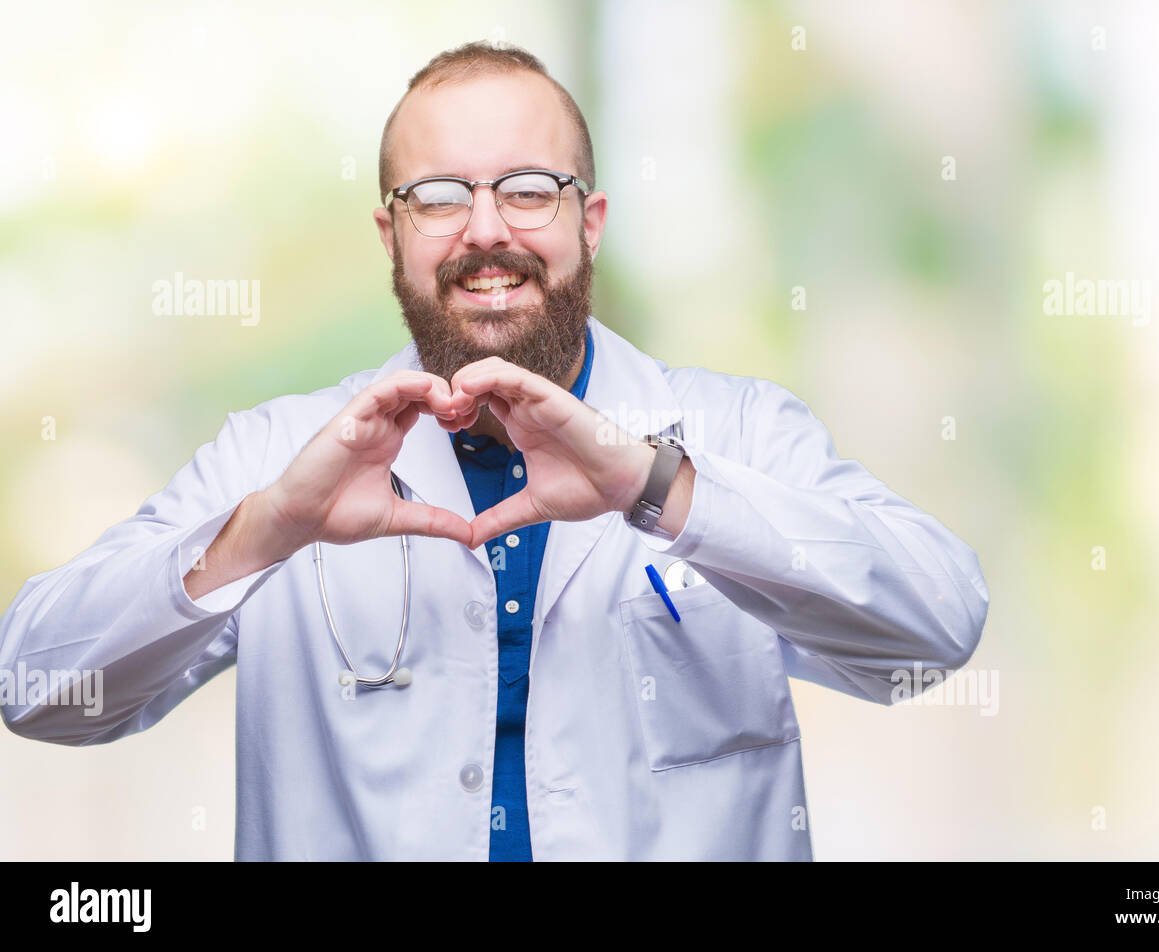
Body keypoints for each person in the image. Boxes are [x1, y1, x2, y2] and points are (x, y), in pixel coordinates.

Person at [0, 41, 989, 861]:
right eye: (437, 197)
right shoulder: (273, 457)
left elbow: (934, 628)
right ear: (389, 235)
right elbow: (35, 688)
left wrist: (657, 490)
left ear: (586, 221)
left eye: (527, 189)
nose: (485, 230)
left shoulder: (735, 434)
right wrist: (267, 529)